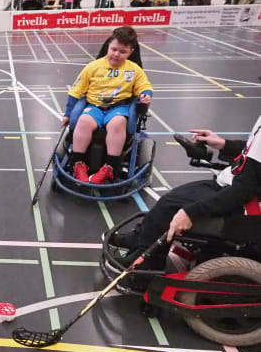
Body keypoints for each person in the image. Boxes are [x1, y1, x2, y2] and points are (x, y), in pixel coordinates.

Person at [110, 114, 261, 268]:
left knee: (171, 207)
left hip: (246, 204)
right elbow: (251, 153)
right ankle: (139, 238)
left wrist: (191, 212)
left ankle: (146, 265)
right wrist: (223, 144)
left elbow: (245, 189)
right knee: (171, 200)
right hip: (232, 183)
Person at [62, 26, 153, 184]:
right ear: (108, 46)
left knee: (118, 123)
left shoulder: (134, 70)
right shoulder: (93, 66)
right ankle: (78, 164)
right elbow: (76, 91)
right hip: (94, 106)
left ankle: (110, 167)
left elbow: (144, 86)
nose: (117, 54)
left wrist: (145, 95)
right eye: (114, 49)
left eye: (122, 52)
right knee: (83, 121)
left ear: (131, 52)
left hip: (119, 108)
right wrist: (68, 114)